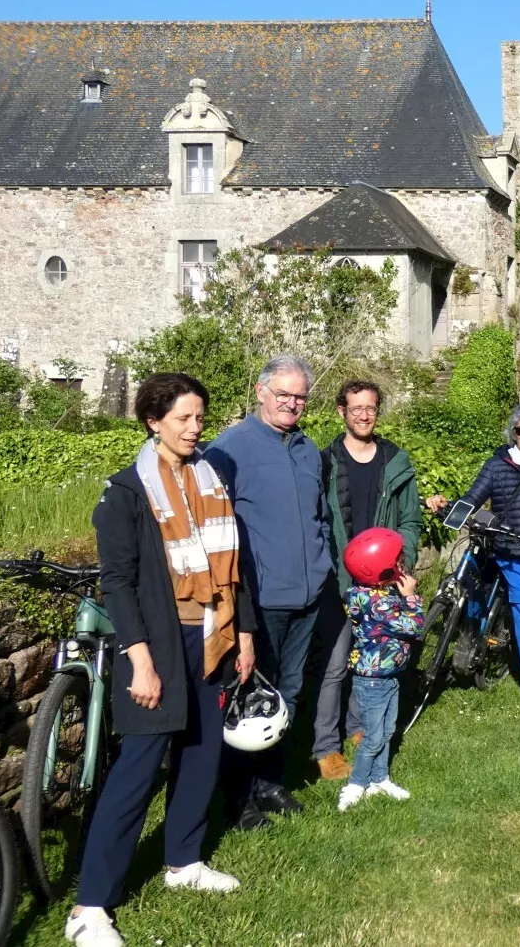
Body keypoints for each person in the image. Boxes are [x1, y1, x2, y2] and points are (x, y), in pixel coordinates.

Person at [66, 373, 255, 947]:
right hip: (158, 642)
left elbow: (233, 567)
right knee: (139, 769)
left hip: (213, 634)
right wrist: (140, 661)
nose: (196, 428)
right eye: (183, 419)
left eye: (200, 417)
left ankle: (183, 862)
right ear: (153, 420)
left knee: (201, 753)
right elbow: (118, 584)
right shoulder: (125, 492)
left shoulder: (210, 479)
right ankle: (90, 907)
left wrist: (243, 634)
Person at [205, 354, 333, 830]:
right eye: (283, 394)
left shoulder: (306, 448)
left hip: (306, 594)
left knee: (290, 691)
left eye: (299, 396)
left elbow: (318, 516)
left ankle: (270, 782)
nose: (292, 403)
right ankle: (239, 797)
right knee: (247, 699)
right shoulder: (228, 450)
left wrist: (322, 567)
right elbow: (214, 530)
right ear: (261, 392)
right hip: (258, 598)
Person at [425, 404, 520, 718]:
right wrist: (441, 508)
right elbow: (473, 497)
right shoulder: (497, 465)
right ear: (512, 433)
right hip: (516, 553)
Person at [312, 380, 422, 781]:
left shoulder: (396, 461)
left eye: (371, 408)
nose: (363, 414)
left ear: (378, 411)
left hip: (383, 584)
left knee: (371, 661)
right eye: (355, 407)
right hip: (340, 583)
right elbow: (315, 523)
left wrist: (400, 559)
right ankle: (326, 746)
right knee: (336, 665)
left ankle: (357, 728)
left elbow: (410, 519)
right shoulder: (325, 461)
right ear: (342, 411)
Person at [337, 527, 424, 812]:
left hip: (388, 675)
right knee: (374, 736)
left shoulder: (368, 594)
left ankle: (379, 779)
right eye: (397, 561)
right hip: (374, 680)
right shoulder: (380, 604)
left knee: (387, 731)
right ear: (380, 570)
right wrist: (411, 598)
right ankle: (355, 784)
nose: (402, 565)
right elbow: (414, 627)